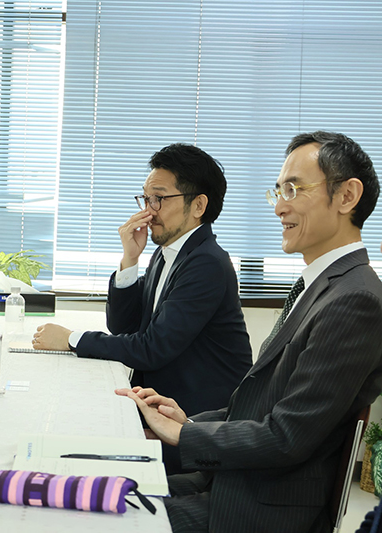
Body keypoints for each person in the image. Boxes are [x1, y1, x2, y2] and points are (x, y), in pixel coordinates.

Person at [119, 131, 382, 533]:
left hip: (256, 509)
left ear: (347, 196)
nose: (279, 207)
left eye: (293, 190)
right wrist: (188, 422)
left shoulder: (355, 298)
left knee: (89, 513)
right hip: (232, 482)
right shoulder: (324, 284)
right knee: (96, 491)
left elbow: (288, 435)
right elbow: (264, 403)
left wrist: (182, 437)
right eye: (277, 191)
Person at [33, 143, 252, 419]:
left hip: (199, 418)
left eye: (158, 199)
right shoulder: (166, 253)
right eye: (146, 199)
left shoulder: (207, 263)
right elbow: (123, 327)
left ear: (198, 205)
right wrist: (130, 259)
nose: (149, 211)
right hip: (159, 402)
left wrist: (71, 339)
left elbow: (152, 348)